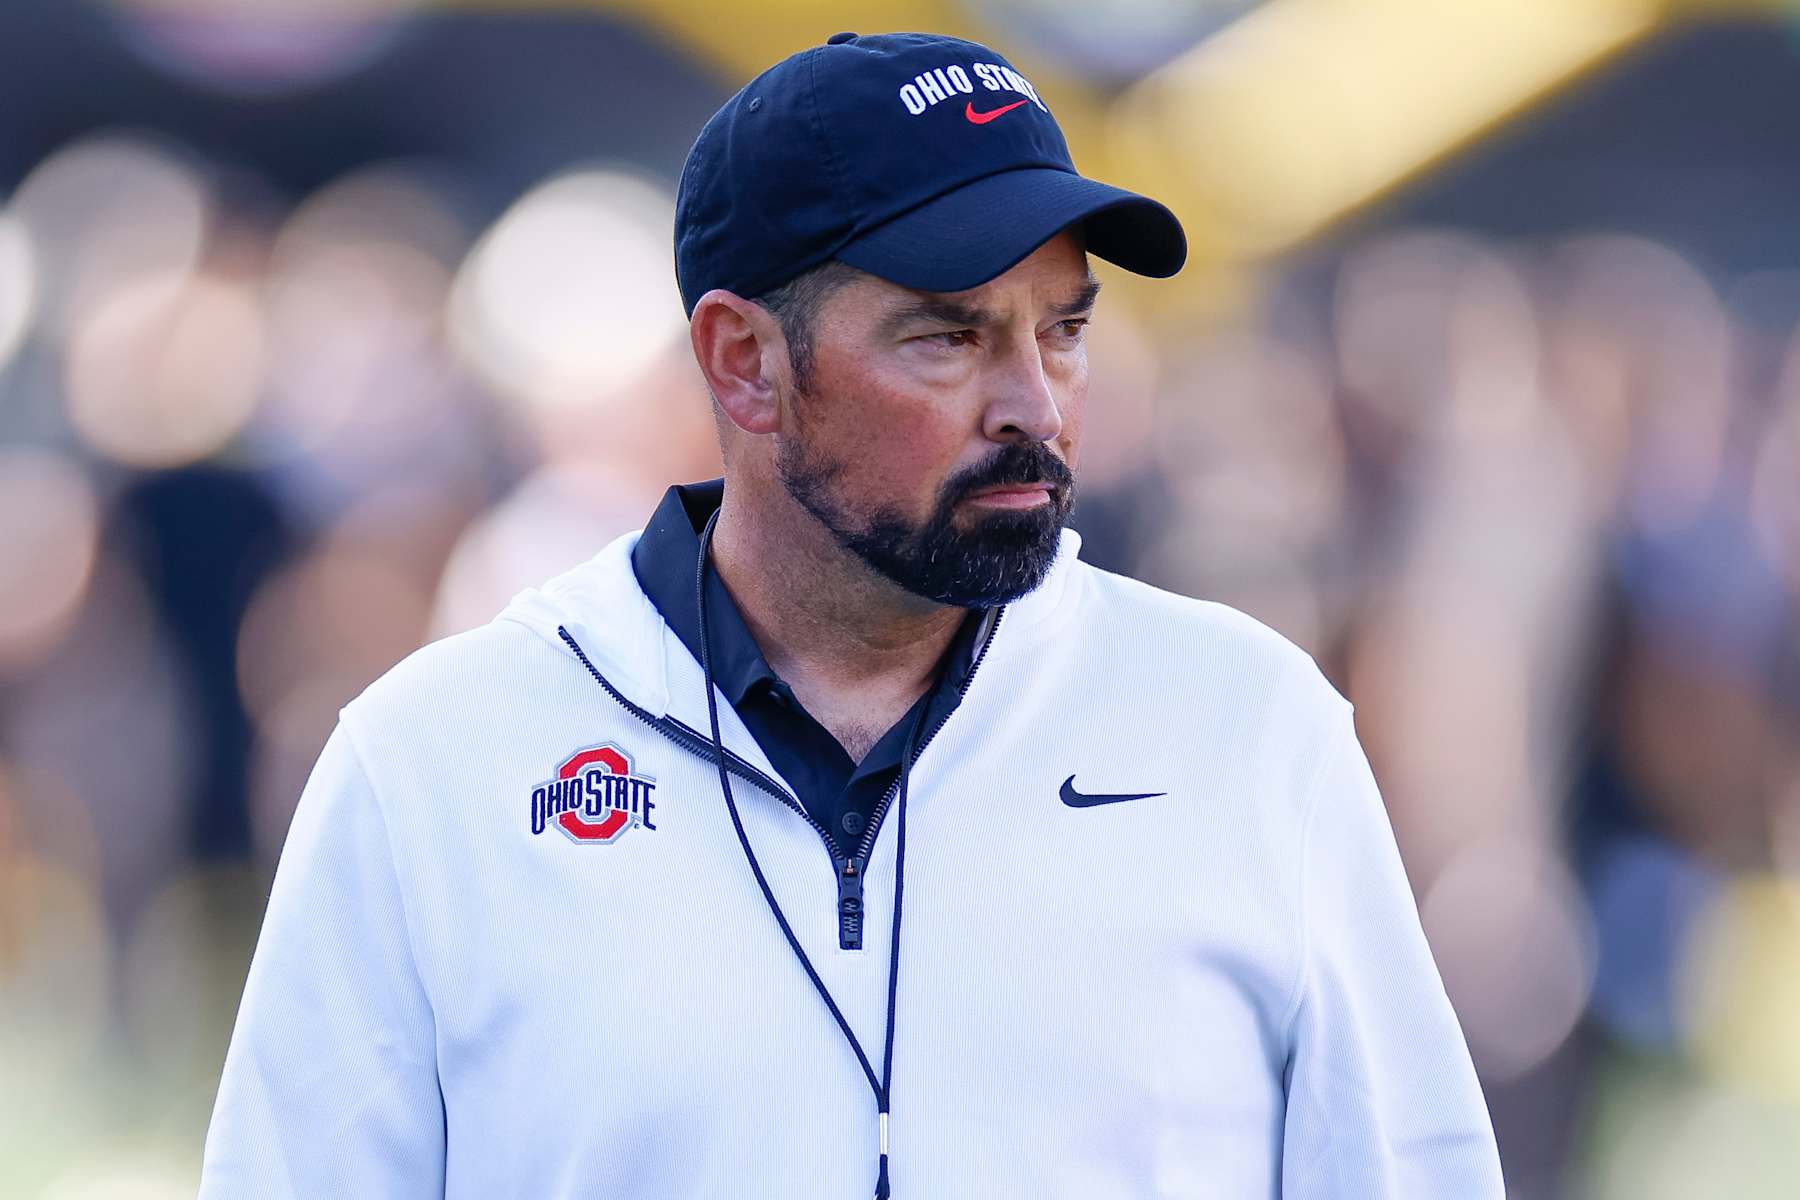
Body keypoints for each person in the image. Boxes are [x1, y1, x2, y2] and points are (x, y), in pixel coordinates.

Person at [200, 30, 1504, 1199]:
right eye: (947, 337)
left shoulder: (1247, 729)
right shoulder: (434, 763)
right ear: (744, 364)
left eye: (1063, 331)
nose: (1035, 406)